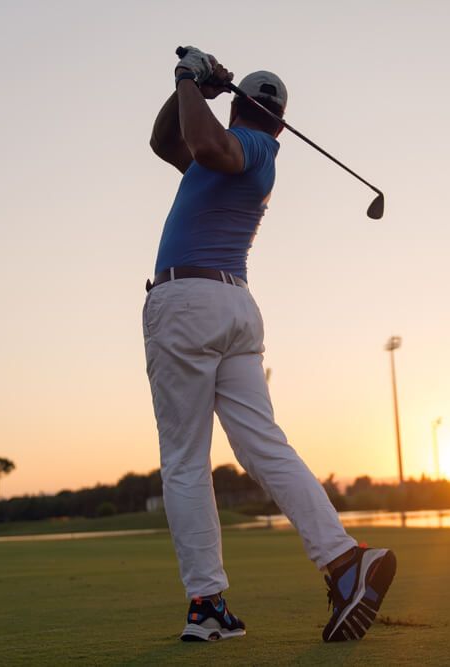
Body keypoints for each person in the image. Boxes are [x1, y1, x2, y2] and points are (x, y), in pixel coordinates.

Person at [142, 45, 396, 643]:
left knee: (184, 461)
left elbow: (204, 144)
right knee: (262, 445)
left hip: (188, 304)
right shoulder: (233, 157)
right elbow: (166, 142)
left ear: (245, 113)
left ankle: (206, 604)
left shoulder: (245, 149)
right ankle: (343, 561)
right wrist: (192, 90)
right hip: (233, 308)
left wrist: (186, 77)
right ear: (279, 116)